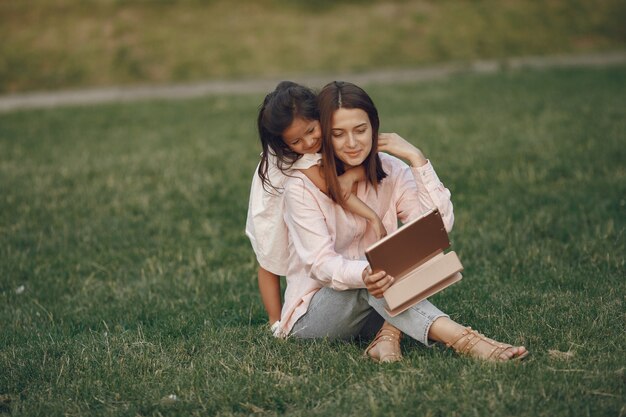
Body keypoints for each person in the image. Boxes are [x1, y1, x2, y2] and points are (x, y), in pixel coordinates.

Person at [277, 81, 528, 362]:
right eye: (338, 134)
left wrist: (417, 159)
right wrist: (366, 275)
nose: (351, 143)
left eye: (360, 130)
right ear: (324, 135)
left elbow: (437, 228)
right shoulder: (300, 187)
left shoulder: (392, 169)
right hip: (316, 316)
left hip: (378, 305)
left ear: (374, 126)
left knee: (416, 256)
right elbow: (319, 264)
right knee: (375, 276)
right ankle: (466, 340)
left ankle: (386, 337)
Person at [245, 81, 394, 342]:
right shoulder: (295, 157)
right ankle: (275, 321)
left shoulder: (315, 140)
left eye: (312, 131)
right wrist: (371, 214)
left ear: (319, 117)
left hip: (296, 197)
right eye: (296, 140)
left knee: (289, 252)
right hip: (272, 202)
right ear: (284, 142)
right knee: (270, 257)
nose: (308, 141)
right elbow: (333, 189)